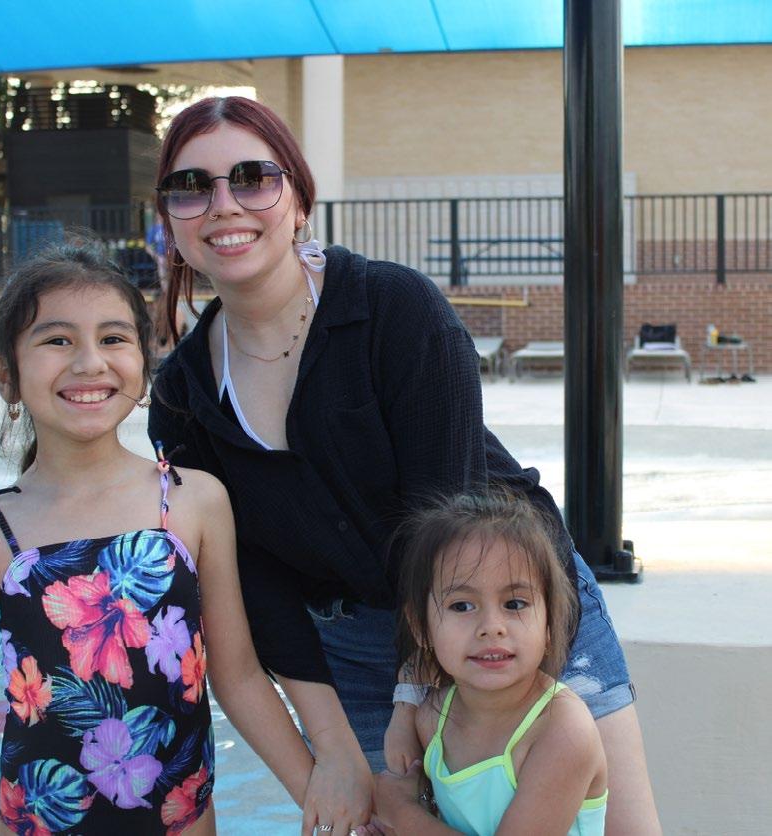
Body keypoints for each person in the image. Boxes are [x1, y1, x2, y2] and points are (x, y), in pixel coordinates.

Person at [147, 95, 661, 835]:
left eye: (253, 178)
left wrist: (414, 693)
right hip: (355, 652)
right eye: (191, 186)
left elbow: (448, 520)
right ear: (169, 220)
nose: (224, 204)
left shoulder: (394, 308)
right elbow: (259, 586)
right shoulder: (183, 398)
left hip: (509, 604)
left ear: (299, 201)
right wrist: (329, 746)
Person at [0, 241, 314, 835]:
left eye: (113, 338)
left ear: (143, 361)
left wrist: (321, 796)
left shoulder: (192, 501)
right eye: (57, 341)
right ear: (7, 376)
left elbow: (237, 678)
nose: (90, 363)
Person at [372, 491, 607, 834]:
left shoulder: (562, 730)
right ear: (420, 627)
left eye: (514, 604)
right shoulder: (433, 719)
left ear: (550, 624)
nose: (491, 627)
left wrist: (400, 811)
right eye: (462, 606)